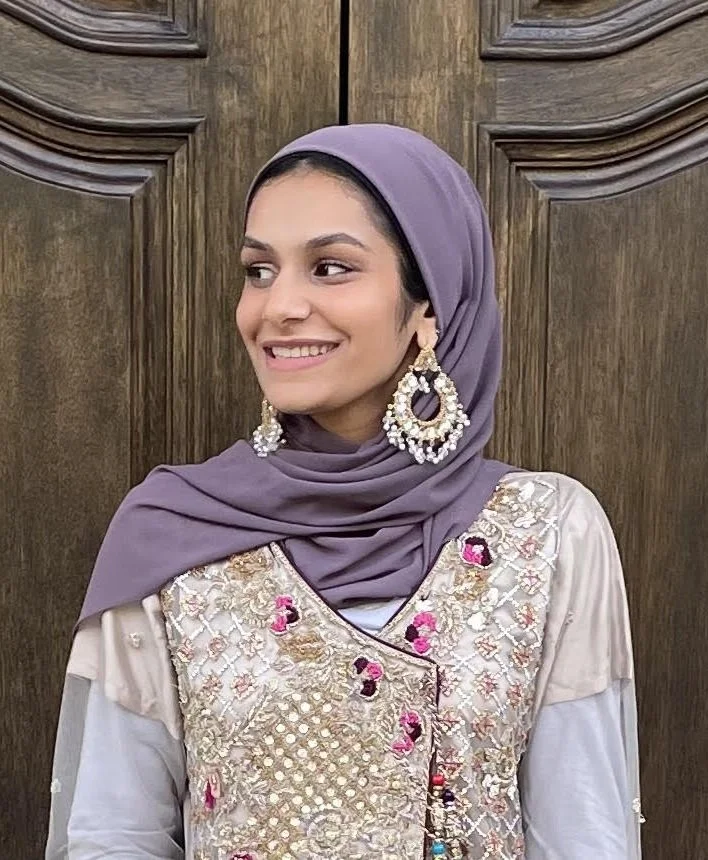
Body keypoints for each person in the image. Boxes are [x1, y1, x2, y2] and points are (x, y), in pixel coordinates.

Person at [45, 124, 641, 860]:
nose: (279, 306)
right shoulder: (170, 536)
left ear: (430, 307)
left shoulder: (545, 532)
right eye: (259, 270)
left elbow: (585, 838)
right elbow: (114, 837)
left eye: (330, 267)